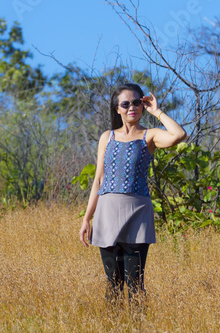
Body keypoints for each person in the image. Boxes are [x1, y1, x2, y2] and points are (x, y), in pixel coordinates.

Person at [79, 83, 187, 302]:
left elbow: (179, 135)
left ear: (142, 104)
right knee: (113, 286)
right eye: (126, 104)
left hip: (137, 213)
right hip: (106, 214)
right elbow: (99, 180)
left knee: (136, 285)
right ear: (117, 109)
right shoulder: (106, 137)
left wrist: (156, 111)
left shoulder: (150, 136)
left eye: (137, 102)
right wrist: (86, 218)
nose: (132, 108)